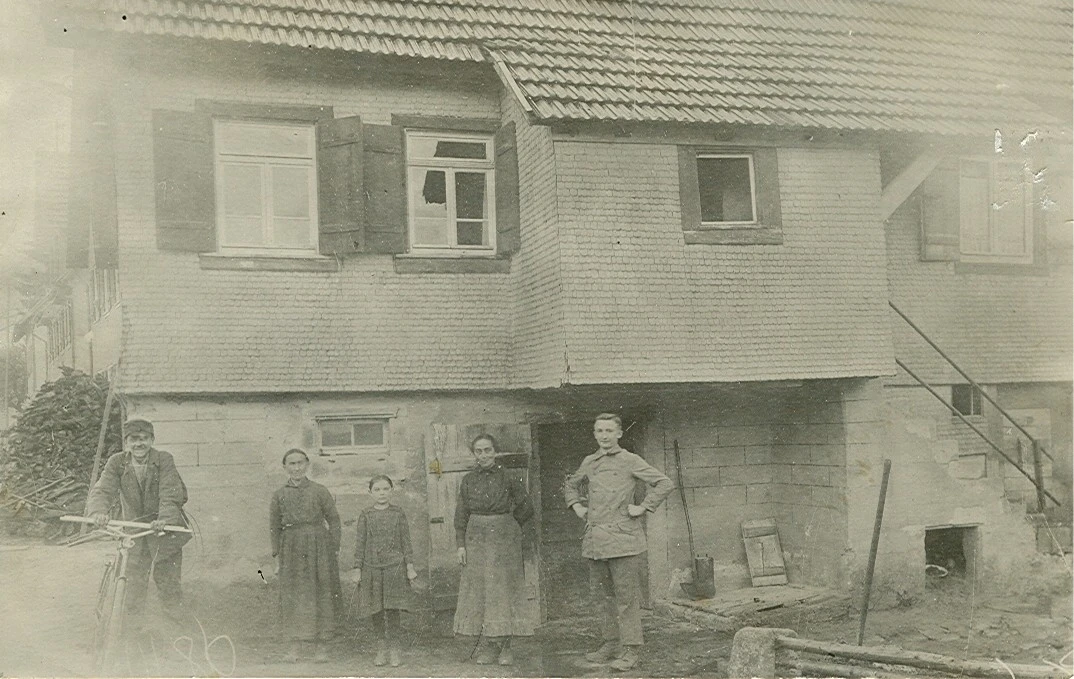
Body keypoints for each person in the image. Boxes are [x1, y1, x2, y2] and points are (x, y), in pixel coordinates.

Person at [564, 413, 673, 672]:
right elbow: (571, 484)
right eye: (599, 431)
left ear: (619, 434)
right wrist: (577, 506)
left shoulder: (630, 460)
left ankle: (631, 650)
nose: (604, 436)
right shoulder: (590, 462)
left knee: (626, 598)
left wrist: (643, 507)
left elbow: (663, 483)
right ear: (594, 434)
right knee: (602, 597)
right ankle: (611, 643)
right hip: (596, 541)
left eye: (609, 431)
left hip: (624, 541)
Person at [85, 417, 191, 620]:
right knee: (132, 585)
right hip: (135, 533)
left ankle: (177, 630)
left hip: (163, 532)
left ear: (152, 440)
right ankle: (131, 634)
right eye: (134, 439)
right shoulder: (117, 462)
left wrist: (165, 520)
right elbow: (103, 490)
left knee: (168, 583)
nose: (139, 443)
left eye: (144, 438)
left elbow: (171, 493)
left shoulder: (164, 460)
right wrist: (98, 512)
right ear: (127, 442)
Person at [453, 433, 534, 665]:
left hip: (503, 539)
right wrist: (461, 544)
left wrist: (507, 524)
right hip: (476, 537)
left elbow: (526, 507)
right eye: (479, 451)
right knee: (482, 591)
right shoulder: (468, 480)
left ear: (495, 452)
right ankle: (489, 647)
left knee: (503, 590)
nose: (484, 455)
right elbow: (461, 515)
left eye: (488, 450)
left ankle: (506, 647)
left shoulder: (509, 477)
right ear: (474, 454)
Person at [269, 449, 342, 663]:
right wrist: (276, 556)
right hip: (290, 546)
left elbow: (334, 521)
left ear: (307, 464)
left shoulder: (320, 491)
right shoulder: (279, 494)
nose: (297, 467)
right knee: (293, 595)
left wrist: (333, 548)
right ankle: (294, 647)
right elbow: (274, 527)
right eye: (291, 464)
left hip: (319, 546)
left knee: (321, 593)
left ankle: (322, 646)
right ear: (285, 467)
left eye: (300, 463)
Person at [352, 474, 417, 667]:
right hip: (372, 568)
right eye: (377, 490)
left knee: (392, 608)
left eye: (385, 489)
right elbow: (360, 542)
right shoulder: (365, 514)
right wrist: (357, 568)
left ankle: (395, 648)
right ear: (370, 493)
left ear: (391, 490)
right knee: (376, 609)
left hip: (394, 568)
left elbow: (406, 541)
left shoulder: (398, 513)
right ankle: (381, 648)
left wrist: (409, 566)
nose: (382, 493)